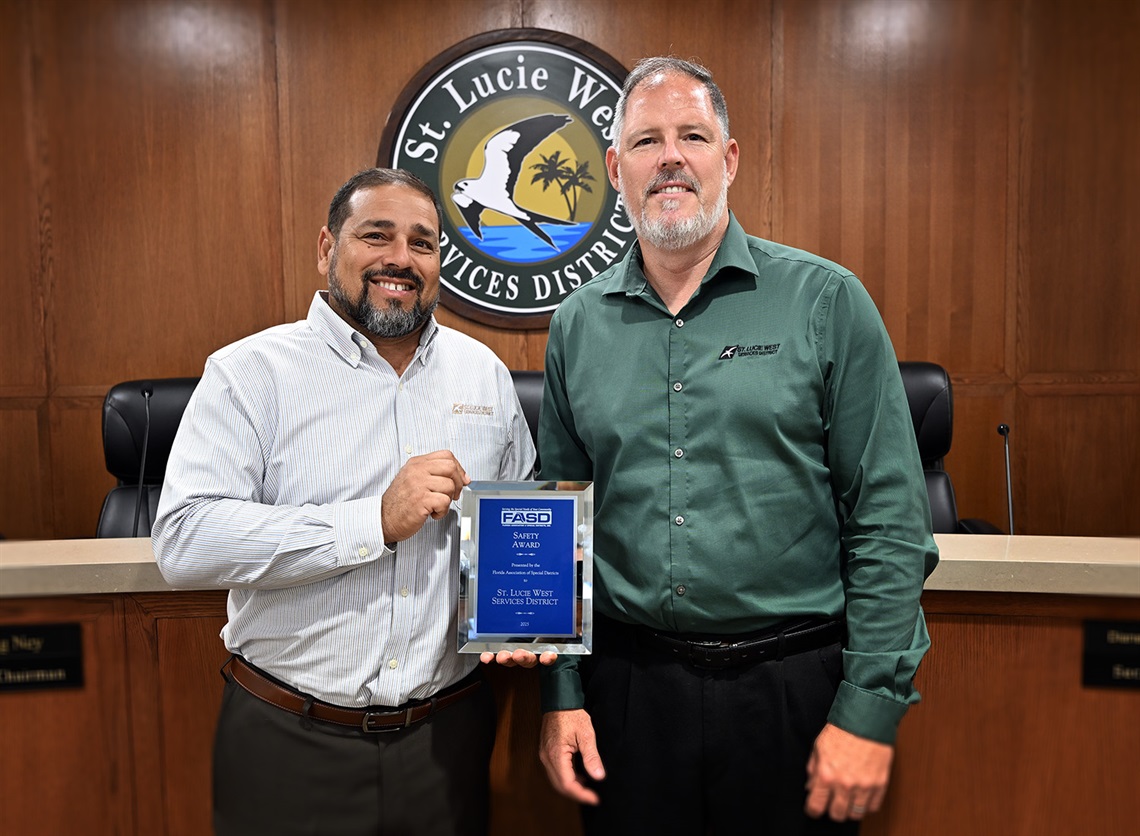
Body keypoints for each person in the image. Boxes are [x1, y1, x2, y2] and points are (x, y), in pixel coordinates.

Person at [536, 58, 939, 835]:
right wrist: (560, 695)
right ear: (617, 170)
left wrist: (869, 710)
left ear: (730, 158)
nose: (672, 157)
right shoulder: (576, 325)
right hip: (628, 699)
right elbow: (562, 522)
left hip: (794, 692)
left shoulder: (826, 301)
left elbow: (888, 519)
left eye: (693, 134)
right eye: (648, 141)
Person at [153, 167, 538, 836]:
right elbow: (186, 542)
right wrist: (372, 522)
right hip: (289, 740)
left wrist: (524, 614)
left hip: (448, 740)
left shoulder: (483, 373)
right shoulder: (250, 374)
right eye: (376, 235)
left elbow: (520, 513)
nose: (400, 258)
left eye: (422, 242)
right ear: (327, 248)